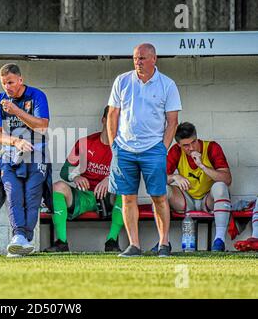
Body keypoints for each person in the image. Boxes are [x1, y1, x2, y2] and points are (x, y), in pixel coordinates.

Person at [107, 43, 181, 257]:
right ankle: (134, 245)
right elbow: (113, 114)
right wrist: (115, 146)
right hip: (124, 149)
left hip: (153, 149)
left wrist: (163, 149)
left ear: (154, 59)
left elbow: (172, 122)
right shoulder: (122, 81)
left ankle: (164, 244)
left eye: (142, 58)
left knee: (158, 197)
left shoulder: (167, 84)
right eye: (135, 58)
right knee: (127, 198)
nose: (137, 62)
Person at [0, 63, 52, 258]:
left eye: (10, 82)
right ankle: (19, 237)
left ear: (20, 80)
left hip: (37, 154)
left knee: (32, 198)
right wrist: (16, 141)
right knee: (13, 194)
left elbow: (42, 126)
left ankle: (25, 239)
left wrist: (16, 111)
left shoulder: (36, 96)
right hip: (10, 156)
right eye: (3, 83)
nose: (7, 87)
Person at [44, 106, 124, 253]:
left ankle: (111, 241)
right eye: (111, 119)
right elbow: (64, 171)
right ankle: (62, 242)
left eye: (118, 120)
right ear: (103, 120)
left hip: (108, 197)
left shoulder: (124, 146)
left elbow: (129, 175)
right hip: (84, 195)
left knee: (127, 192)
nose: (115, 124)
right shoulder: (86, 143)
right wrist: (76, 176)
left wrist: (110, 179)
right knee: (58, 187)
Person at [166, 122, 232, 251]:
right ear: (179, 145)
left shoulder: (211, 147)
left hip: (208, 200)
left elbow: (227, 179)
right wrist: (174, 177)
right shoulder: (176, 151)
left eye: (194, 142)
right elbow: (157, 179)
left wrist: (202, 166)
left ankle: (219, 241)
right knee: (161, 189)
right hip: (186, 199)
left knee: (220, 187)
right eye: (186, 145)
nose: (191, 148)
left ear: (197, 137)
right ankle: (164, 242)